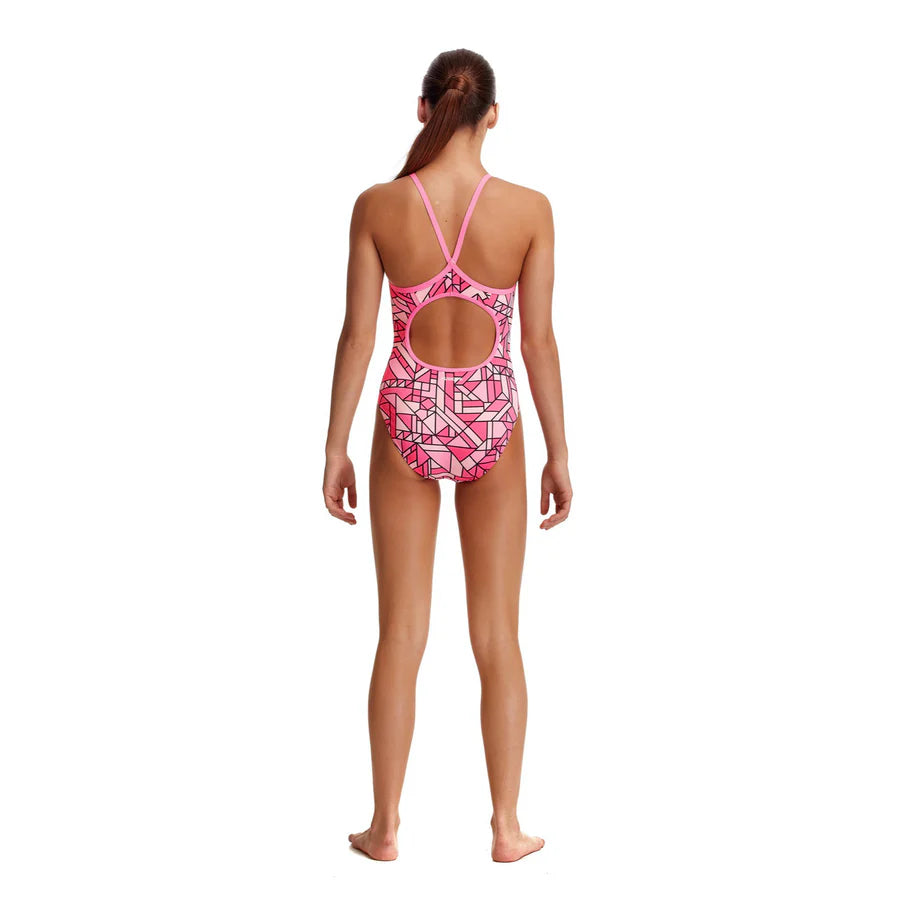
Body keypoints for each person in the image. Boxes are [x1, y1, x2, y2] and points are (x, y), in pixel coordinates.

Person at [323, 48, 572, 863]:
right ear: (493, 114)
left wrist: (334, 445)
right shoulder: (529, 211)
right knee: (498, 634)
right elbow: (536, 343)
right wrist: (558, 452)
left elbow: (359, 336)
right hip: (491, 418)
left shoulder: (378, 206)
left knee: (400, 633)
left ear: (424, 108)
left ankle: (384, 826)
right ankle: (506, 827)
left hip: (405, 414)